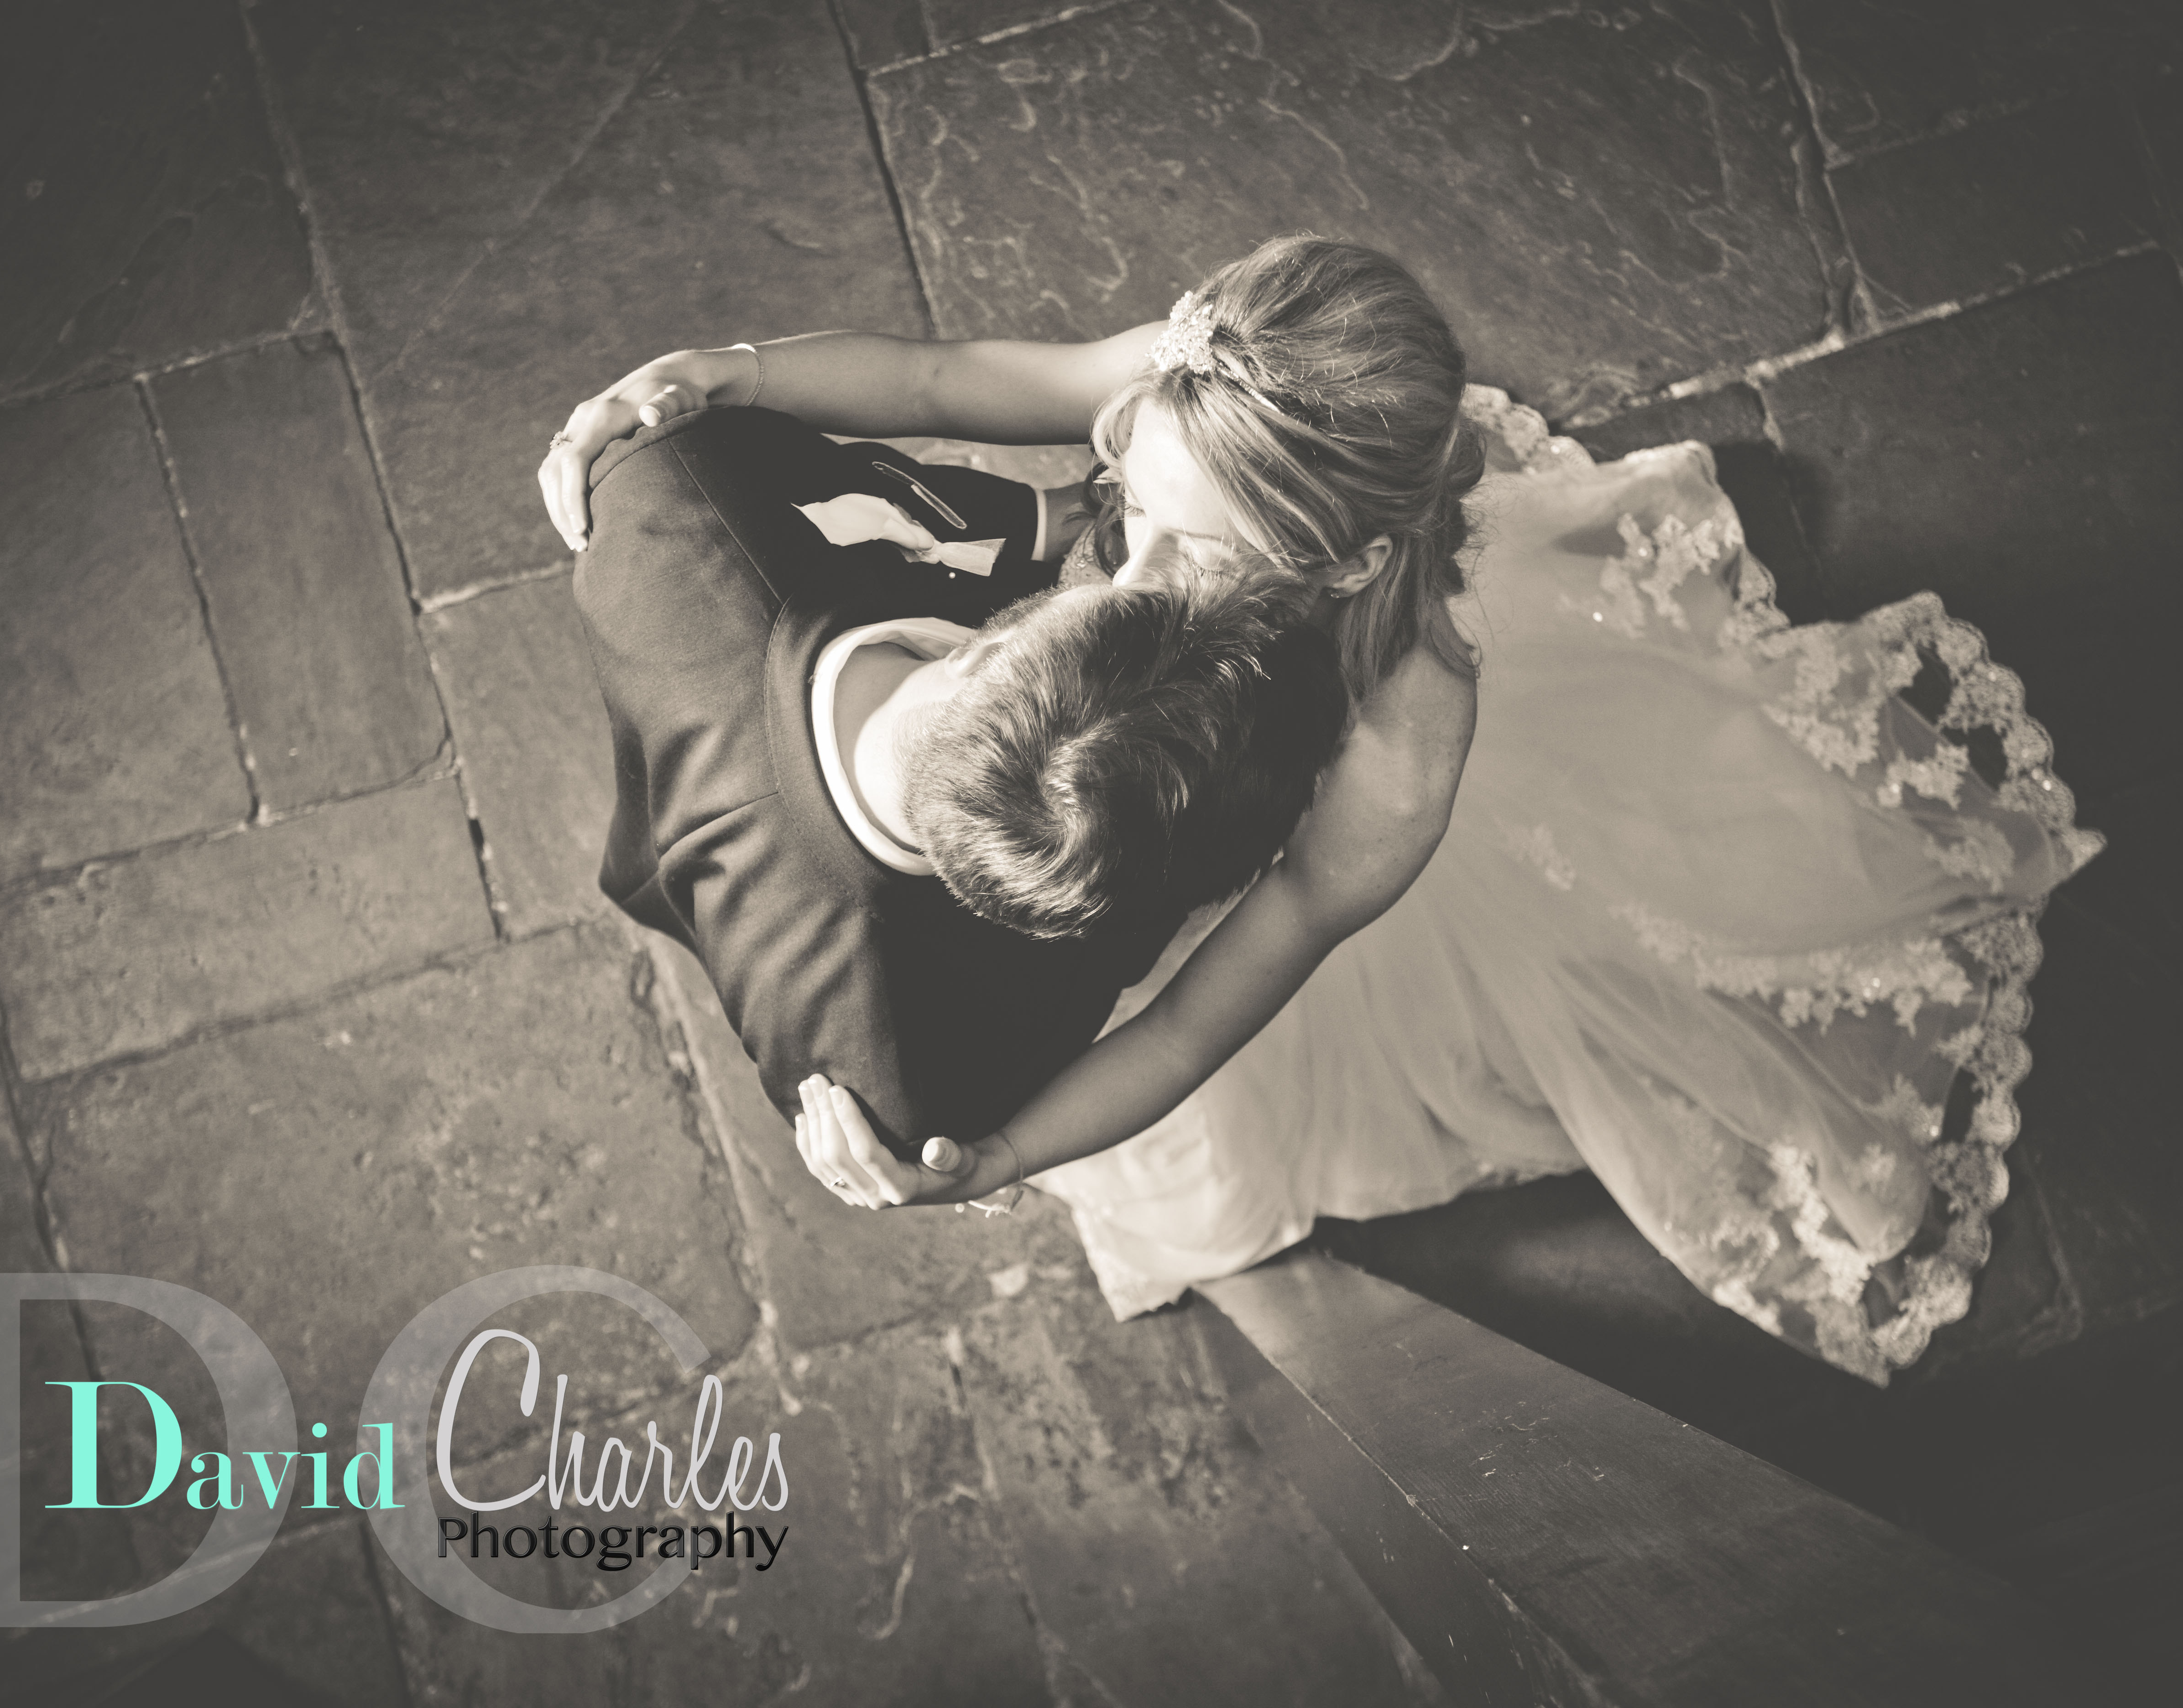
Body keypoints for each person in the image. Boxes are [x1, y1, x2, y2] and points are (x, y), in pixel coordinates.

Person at [541, 236, 2104, 1385]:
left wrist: (1005, 1148)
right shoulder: (1205, 407)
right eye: (1137, 509)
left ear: (1346, 566)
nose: (1127, 579)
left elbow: (1205, 1006)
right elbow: (954, 380)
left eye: (1197, 552)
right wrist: (737, 371)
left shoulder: (1401, 739)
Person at [569, 400, 1343, 1173]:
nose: (1138, 563)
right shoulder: (907, 1077)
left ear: (982, 653)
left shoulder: (669, 497)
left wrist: (1056, 515)